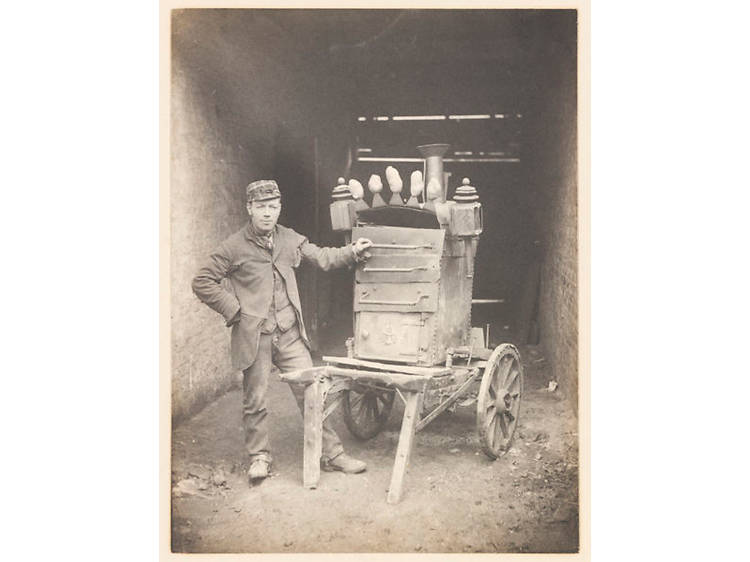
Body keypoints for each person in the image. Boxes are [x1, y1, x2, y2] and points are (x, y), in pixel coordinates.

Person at [192, 179, 372, 484]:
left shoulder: (290, 239)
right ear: (249, 208)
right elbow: (202, 281)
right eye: (260, 207)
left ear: (279, 208)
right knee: (256, 400)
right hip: (255, 336)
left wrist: (352, 252)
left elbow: (323, 257)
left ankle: (333, 454)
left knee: (311, 392)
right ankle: (259, 457)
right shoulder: (233, 247)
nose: (267, 214)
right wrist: (235, 311)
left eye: (272, 207)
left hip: (289, 334)